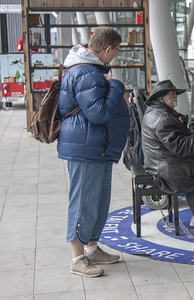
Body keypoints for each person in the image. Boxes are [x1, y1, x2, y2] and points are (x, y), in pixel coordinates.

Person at [58, 27, 130, 277]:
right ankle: (77, 258)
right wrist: (117, 87)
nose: (116, 56)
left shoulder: (91, 71)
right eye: (117, 51)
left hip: (98, 148)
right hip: (86, 148)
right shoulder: (86, 72)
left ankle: (91, 248)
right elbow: (99, 114)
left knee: (98, 203)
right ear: (108, 49)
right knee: (82, 202)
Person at [141, 80, 194, 238]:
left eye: (175, 93)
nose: (175, 96)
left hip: (161, 160)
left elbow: (177, 138)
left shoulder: (160, 111)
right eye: (171, 93)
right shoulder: (163, 117)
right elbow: (179, 146)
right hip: (164, 166)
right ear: (161, 97)